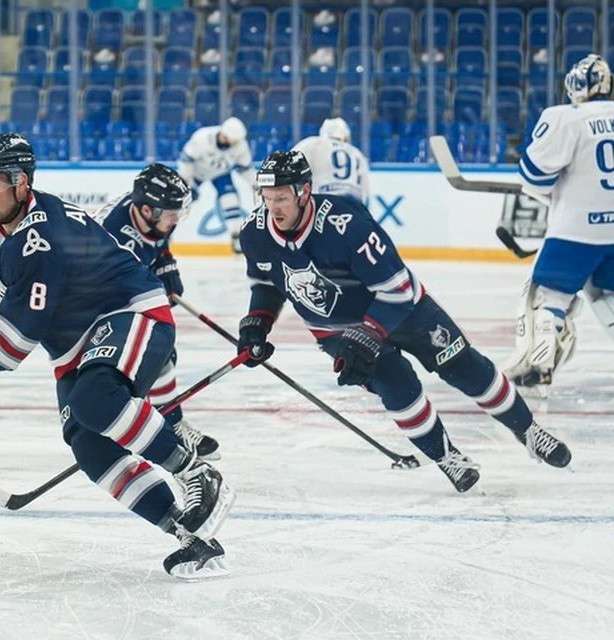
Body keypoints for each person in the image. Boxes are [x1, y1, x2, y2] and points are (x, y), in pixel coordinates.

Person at [0, 134, 235, 579]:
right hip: (73, 345)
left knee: (96, 400)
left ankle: (194, 472)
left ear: (22, 183)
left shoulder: (42, 238)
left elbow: (19, 334)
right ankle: (190, 535)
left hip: (129, 312)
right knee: (88, 445)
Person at [235, 149, 572, 493]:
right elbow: (267, 283)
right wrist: (258, 322)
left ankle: (529, 431)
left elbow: (400, 289)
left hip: (403, 312)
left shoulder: (346, 224)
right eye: (267, 198)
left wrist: (370, 331)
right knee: (397, 388)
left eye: (281, 198)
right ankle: (447, 458)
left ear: (304, 192)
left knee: (466, 368)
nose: (273, 208)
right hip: (338, 330)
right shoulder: (254, 234)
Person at [93, 162, 220, 460]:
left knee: (160, 351)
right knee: (149, 354)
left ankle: (167, 423)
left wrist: (164, 260)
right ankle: (142, 425)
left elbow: (158, 239)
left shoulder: (147, 213)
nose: (176, 221)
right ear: (148, 210)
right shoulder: (114, 238)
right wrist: (153, 285)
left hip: (116, 289)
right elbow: (112, 289)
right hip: (91, 304)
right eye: (171, 215)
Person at [503, 53, 614, 387]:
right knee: (606, 294)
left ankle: (539, 364)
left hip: (576, 230)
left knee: (547, 297)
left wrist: (556, 190)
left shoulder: (566, 116)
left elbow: (534, 177)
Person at [177, 117, 256, 253]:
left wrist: (256, 183)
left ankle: (236, 238)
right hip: (196, 172)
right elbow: (186, 160)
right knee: (179, 202)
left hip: (221, 173)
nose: (235, 143)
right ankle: (166, 233)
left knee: (230, 200)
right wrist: (188, 183)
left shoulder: (240, 145)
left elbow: (245, 168)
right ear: (224, 135)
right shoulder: (202, 137)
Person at [292, 117, 370, 205]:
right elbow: (365, 191)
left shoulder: (311, 144)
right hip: (353, 205)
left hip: (324, 202)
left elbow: (290, 163)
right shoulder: (357, 153)